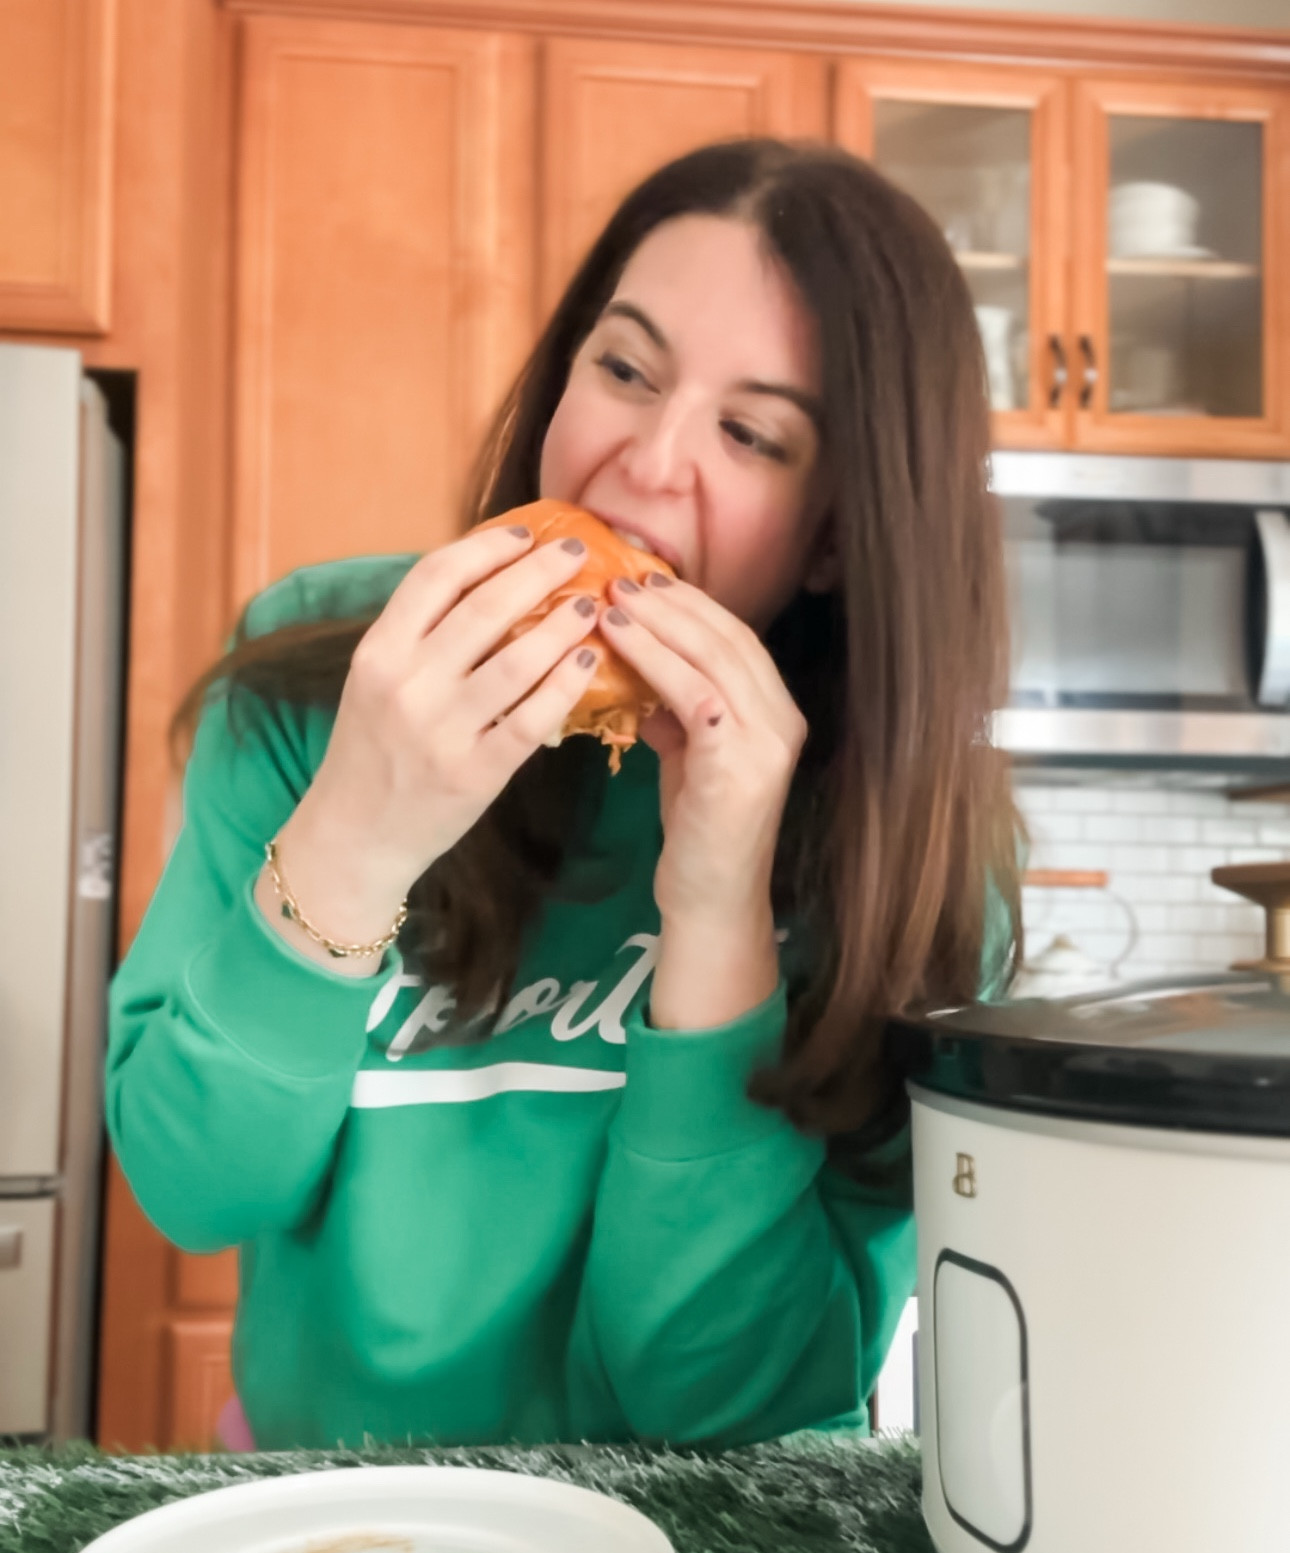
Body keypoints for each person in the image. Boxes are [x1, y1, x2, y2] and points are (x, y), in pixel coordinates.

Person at [106, 138, 1020, 1453]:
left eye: (751, 434)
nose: (645, 466)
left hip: (705, 1534)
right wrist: (357, 831)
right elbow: (194, 1191)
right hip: (333, 1505)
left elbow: (728, 1406)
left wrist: (719, 916)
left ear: (836, 535)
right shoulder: (328, 681)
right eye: (626, 370)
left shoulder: (913, 857)